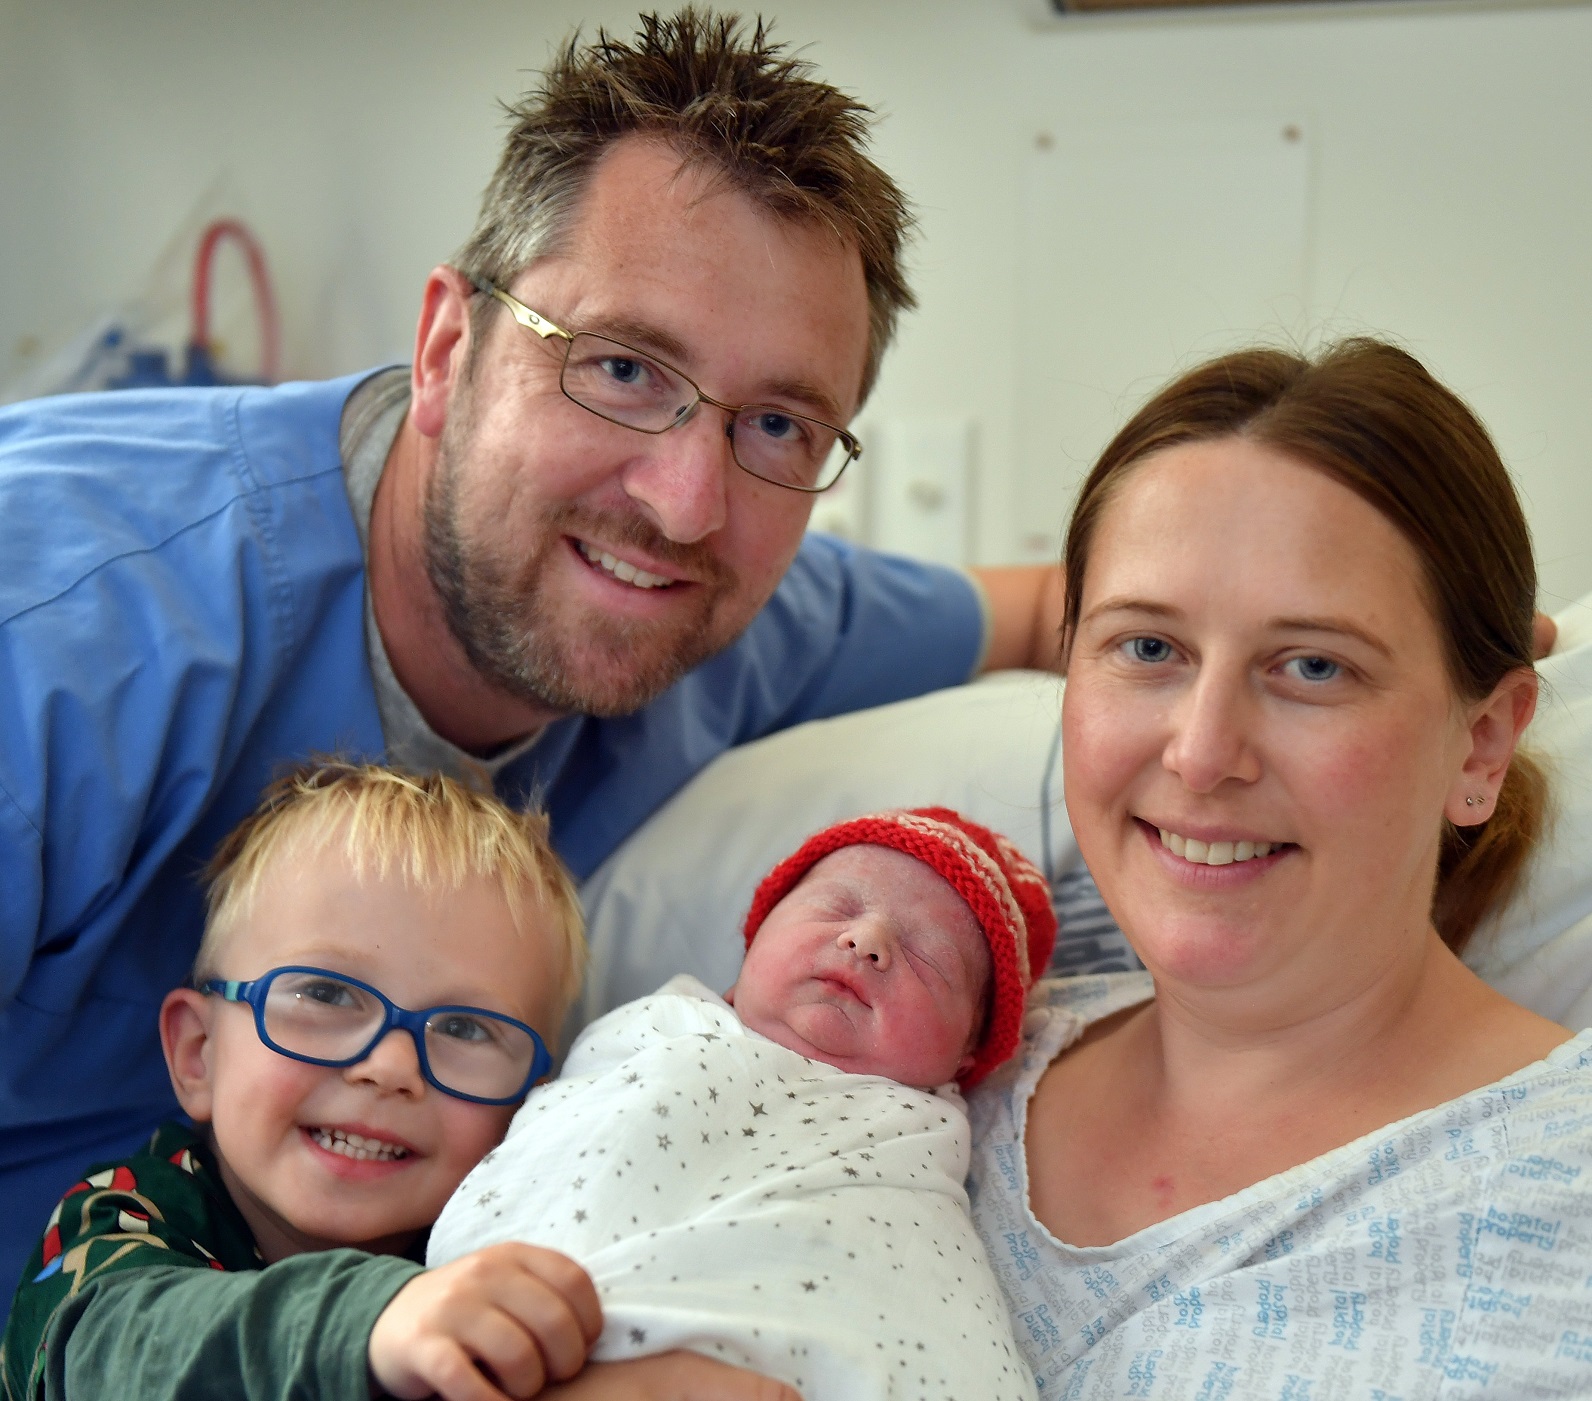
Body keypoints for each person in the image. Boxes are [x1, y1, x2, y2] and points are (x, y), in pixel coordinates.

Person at [0, 8, 1064, 1321]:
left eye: (778, 424)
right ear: (451, 349)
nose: (684, 502)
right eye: (622, 367)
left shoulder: (726, 619)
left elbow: (1067, 612)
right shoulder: (60, 645)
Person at [964, 339, 1592, 1396]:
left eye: (1311, 666)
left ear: (1479, 743)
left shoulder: (1559, 1195)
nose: (1202, 755)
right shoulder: (940, 1080)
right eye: (1147, 648)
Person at [1, 762, 609, 1401]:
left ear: (536, 1108)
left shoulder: (510, 1242)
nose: (389, 1067)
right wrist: (376, 1320)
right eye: (325, 993)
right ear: (199, 1054)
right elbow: (114, 1356)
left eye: (463, 1029)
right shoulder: (121, 1214)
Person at [429, 809, 1057, 1400]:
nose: (867, 941)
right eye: (835, 907)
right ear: (752, 944)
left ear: (965, 1059)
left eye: (929, 958)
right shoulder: (660, 1031)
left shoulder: (915, 1144)